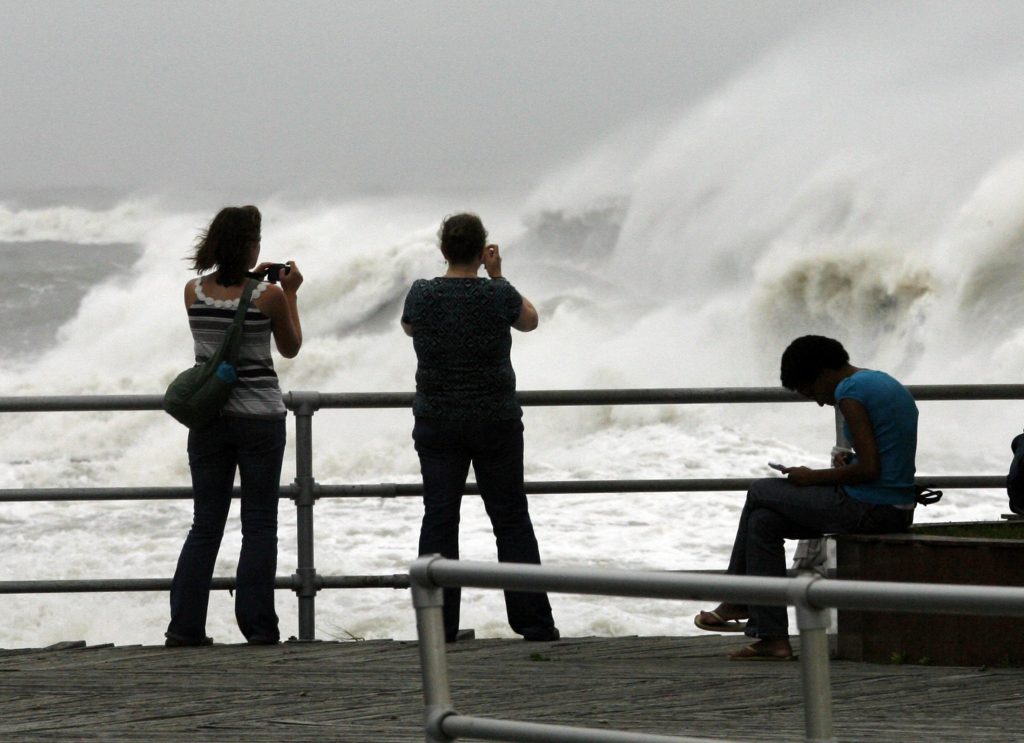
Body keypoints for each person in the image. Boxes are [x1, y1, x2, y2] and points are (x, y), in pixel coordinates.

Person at [694, 335, 918, 660]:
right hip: (889, 504)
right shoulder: (879, 382)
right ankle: (772, 639)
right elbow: (884, 458)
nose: (818, 402)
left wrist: (811, 476)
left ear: (823, 373)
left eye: (811, 391)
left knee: (760, 490)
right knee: (764, 522)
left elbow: (870, 470)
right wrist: (848, 463)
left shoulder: (849, 394)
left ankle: (736, 597)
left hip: (870, 507)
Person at [401, 212, 559, 643]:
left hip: (437, 420)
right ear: (481, 250)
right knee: (510, 520)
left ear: (442, 250)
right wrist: (498, 274)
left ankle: (438, 626)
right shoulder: (498, 294)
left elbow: (409, 327)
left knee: (439, 519)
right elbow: (530, 320)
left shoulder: (423, 293)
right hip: (495, 420)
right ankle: (534, 623)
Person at [165, 205, 304, 647]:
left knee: (205, 525)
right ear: (249, 246)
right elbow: (291, 347)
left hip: (208, 420)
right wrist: (290, 293)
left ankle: (184, 629)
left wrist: (255, 279)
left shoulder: (193, 291)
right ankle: (259, 629)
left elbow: (221, 314)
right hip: (260, 419)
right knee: (259, 524)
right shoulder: (269, 296)